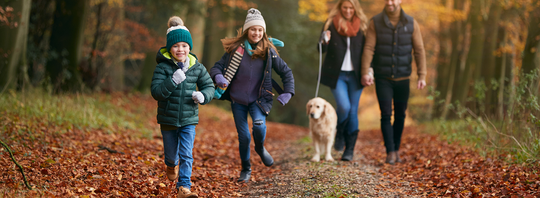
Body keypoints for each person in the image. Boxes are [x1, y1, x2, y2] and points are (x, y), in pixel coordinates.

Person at [210, 8, 295, 183]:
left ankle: (260, 148)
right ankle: (246, 169)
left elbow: (286, 72)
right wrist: (219, 78)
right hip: (237, 100)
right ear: (247, 30)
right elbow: (216, 67)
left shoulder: (268, 51)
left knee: (258, 126)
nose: (256, 33)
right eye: (253, 29)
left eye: (260, 30)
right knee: (244, 137)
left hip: (259, 99)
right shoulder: (235, 50)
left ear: (263, 32)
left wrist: (288, 92)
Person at [150, 16, 214, 198]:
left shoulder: (197, 68)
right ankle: (171, 164)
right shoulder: (162, 68)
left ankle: (184, 188)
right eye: (176, 46)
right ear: (170, 48)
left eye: (184, 46)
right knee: (172, 156)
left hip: (188, 119)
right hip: (168, 119)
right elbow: (156, 92)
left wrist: (203, 96)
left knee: (187, 154)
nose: (181, 49)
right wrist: (172, 81)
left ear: (189, 48)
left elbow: (209, 87)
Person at [361, 0, 427, 165]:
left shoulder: (411, 23)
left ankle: (396, 149)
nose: (390, 2)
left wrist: (422, 75)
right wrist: (365, 71)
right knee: (385, 115)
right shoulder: (375, 22)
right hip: (383, 78)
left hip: (403, 78)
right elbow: (369, 48)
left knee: (400, 115)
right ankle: (390, 151)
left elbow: (419, 50)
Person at [318, 0, 369, 161]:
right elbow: (320, 49)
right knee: (344, 106)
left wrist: (369, 71)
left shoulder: (362, 26)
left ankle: (349, 149)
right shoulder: (331, 24)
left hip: (356, 75)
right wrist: (324, 40)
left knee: (353, 111)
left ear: (355, 9)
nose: (348, 11)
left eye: (350, 8)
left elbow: (368, 50)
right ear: (340, 8)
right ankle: (339, 132)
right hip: (337, 74)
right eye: (345, 8)